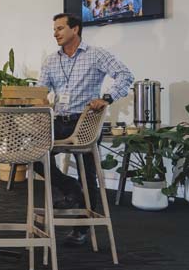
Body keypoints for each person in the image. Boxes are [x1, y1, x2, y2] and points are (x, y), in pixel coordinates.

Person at [36, 13, 134, 245]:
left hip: (85, 121)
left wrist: (107, 98)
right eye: (54, 29)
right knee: (31, 155)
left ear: (75, 29)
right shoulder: (51, 60)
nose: (55, 33)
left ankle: (81, 229)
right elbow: (40, 90)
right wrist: (37, 100)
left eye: (60, 28)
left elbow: (125, 75)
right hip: (59, 120)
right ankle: (70, 188)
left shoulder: (95, 54)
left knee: (87, 171)